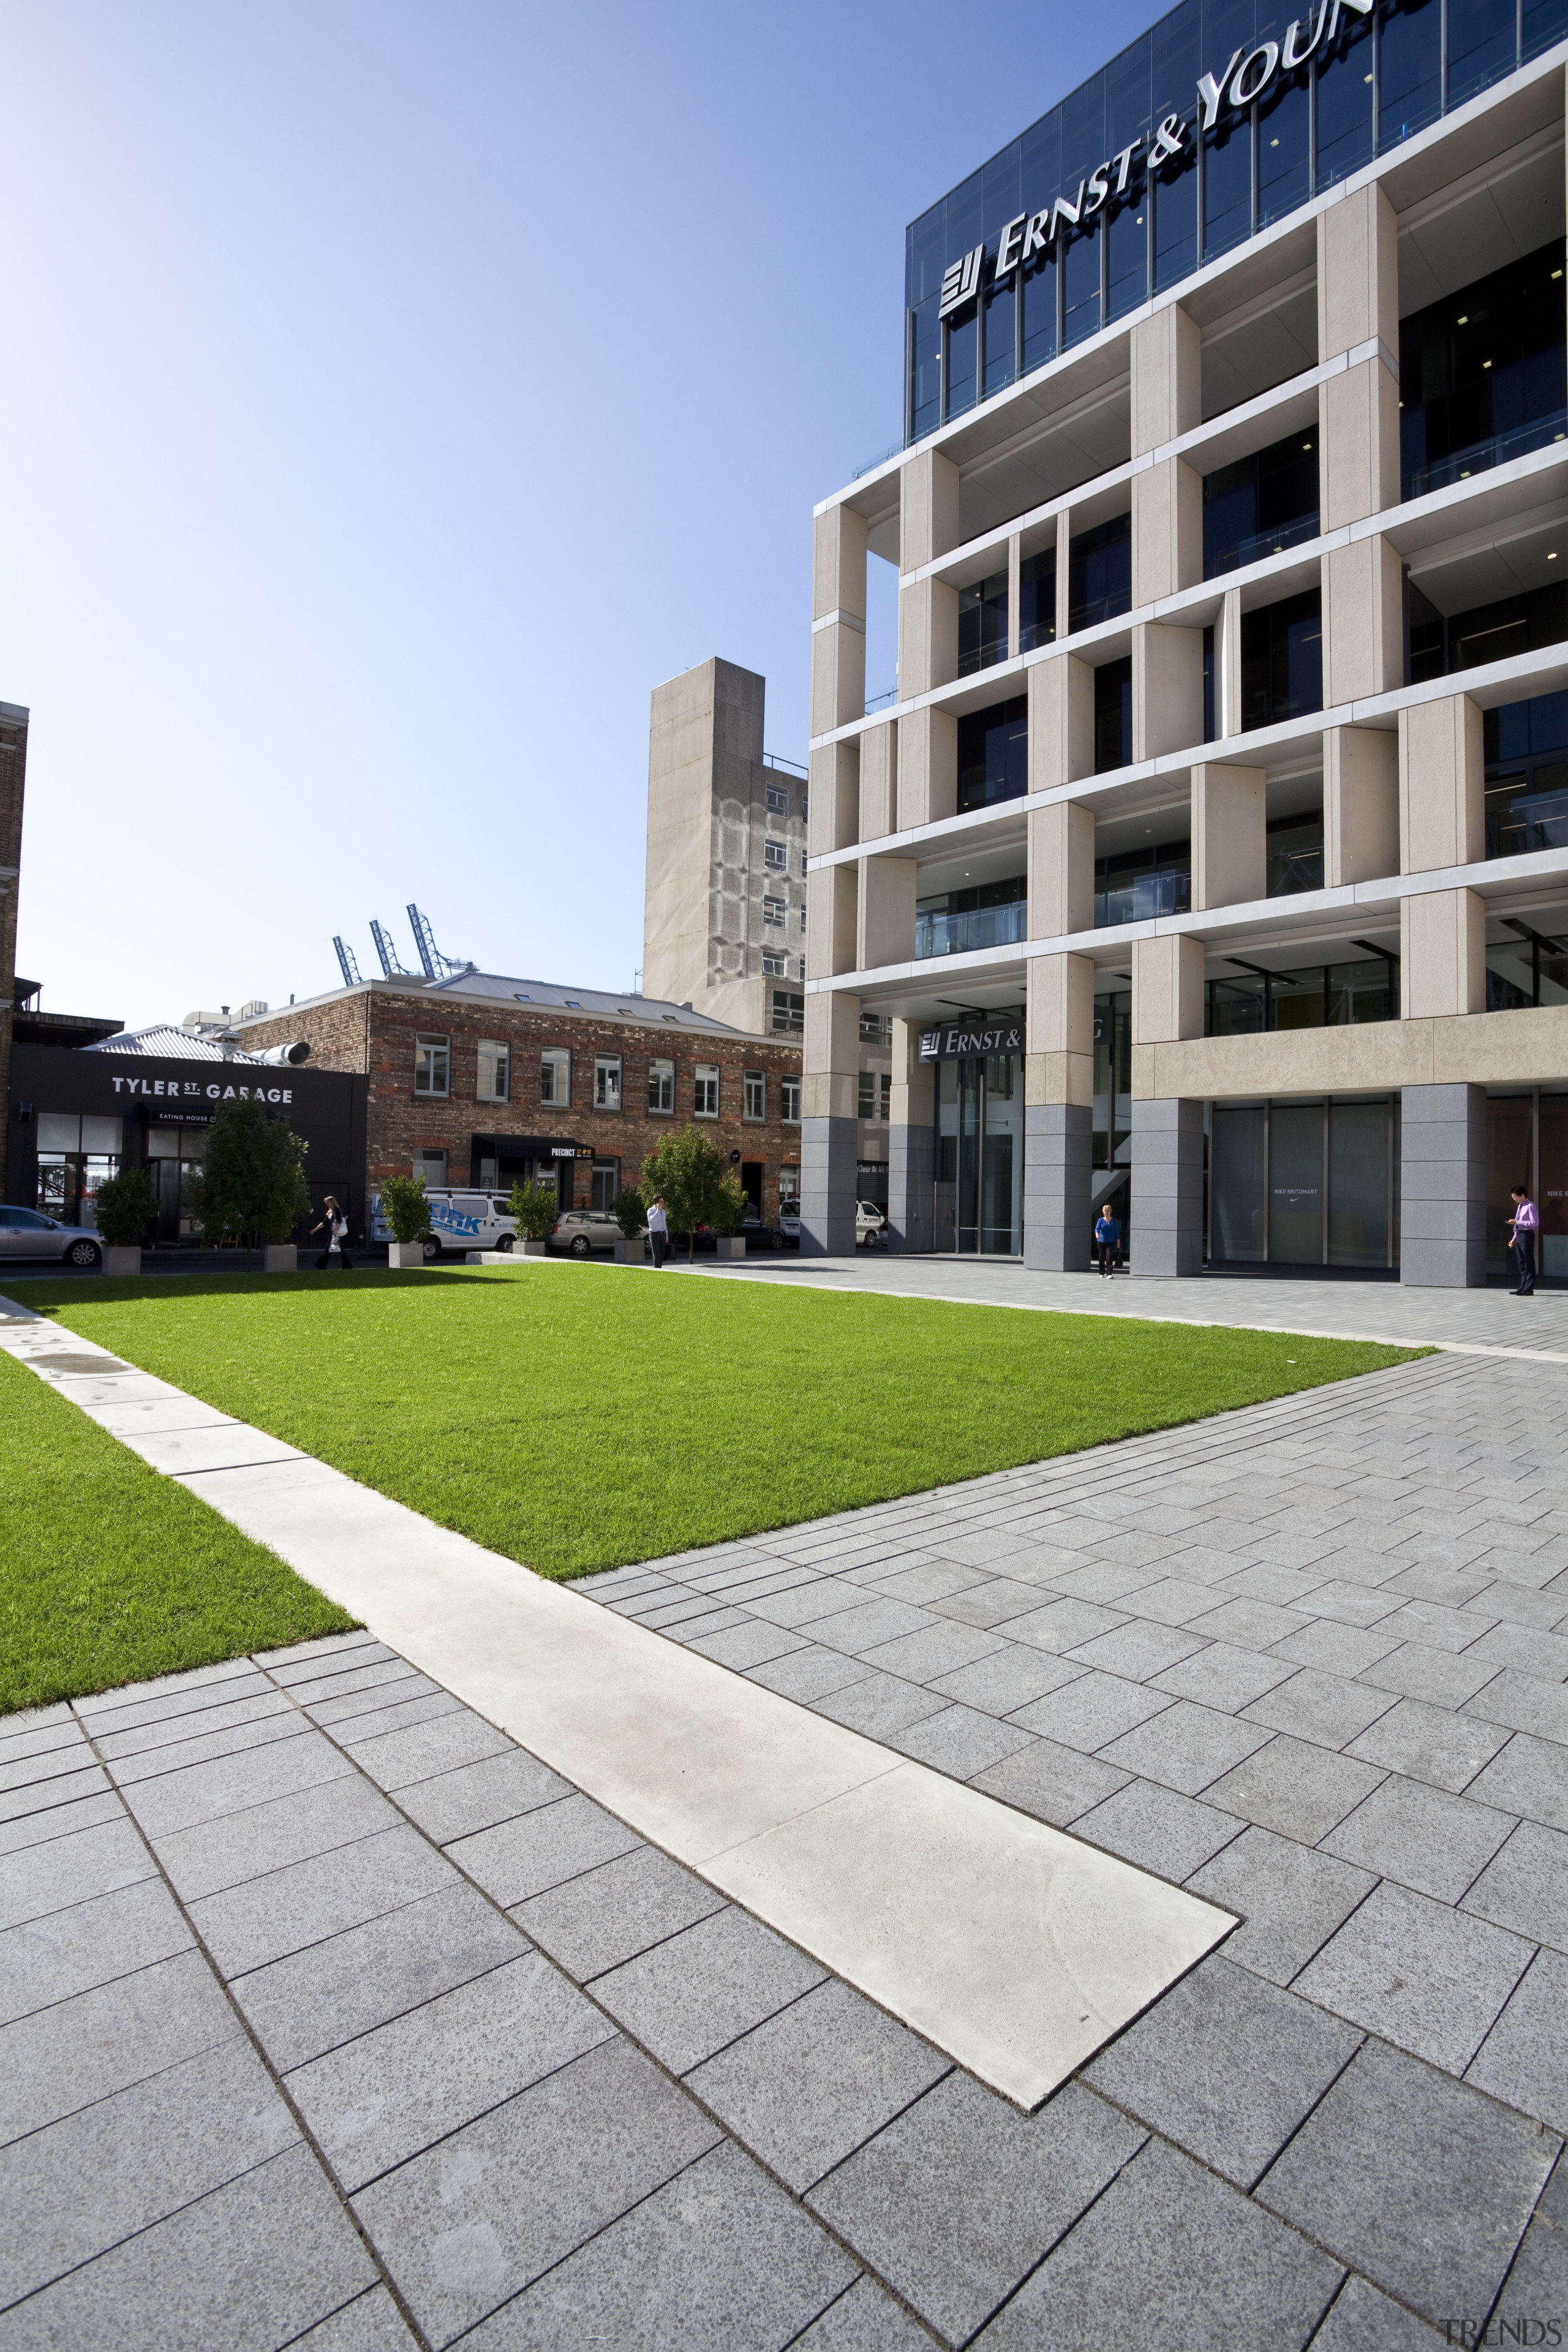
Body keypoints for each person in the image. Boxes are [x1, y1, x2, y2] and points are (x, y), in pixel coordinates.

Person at [1508, 1185, 1539, 1295]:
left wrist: (1517, 1223)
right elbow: (1517, 1224)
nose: (1515, 1199)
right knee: (1521, 1262)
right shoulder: (1520, 1206)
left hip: (1527, 1235)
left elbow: (1535, 1223)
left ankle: (1528, 1288)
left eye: (1516, 1197)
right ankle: (1522, 1287)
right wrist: (1514, 1238)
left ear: (1522, 1195)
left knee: (1528, 1262)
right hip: (1520, 1234)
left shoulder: (1530, 1206)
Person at [311, 1195, 352, 1270]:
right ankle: (347, 1266)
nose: (327, 1204)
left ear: (332, 1202)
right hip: (334, 1233)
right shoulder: (330, 1212)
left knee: (329, 1250)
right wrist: (315, 1229)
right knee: (338, 1250)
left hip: (336, 1233)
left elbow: (339, 1221)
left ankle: (322, 1266)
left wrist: (336, 1230)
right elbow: (324, 1222)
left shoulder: (337, 1210)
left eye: (328, 1203)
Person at [1094, 1202, 1121, 1278]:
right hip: (1101, 1241)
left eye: (1108, 1211)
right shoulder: (1100, 1220)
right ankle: (1101, 1272)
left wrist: (1118, 1241)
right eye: (1105, 1211)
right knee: (1101, 1257)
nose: (1106, 1213)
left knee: (1109, 1257)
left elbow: (1116, 1231)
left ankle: (1109, 1273)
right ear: (1103, 1212)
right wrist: (1097, 1234)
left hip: (1111, 1242)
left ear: (1110, 1212)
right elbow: (1097, 1228)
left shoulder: (1114, 1221)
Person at [646, 1192, 669, 1270]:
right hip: (654, 1234)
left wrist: (667, 1236)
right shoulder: (651, 1211)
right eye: (661, 1202)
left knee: (662, 1254)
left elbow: (664, 1224)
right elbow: (653, 1220)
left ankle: (660, 1268)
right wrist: (658, 1211)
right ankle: (657, 1269)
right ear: (656, 1203)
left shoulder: (663, 1211)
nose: (662, 1203)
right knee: (657, 1254)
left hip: (662, 1234)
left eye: (663, 1201)